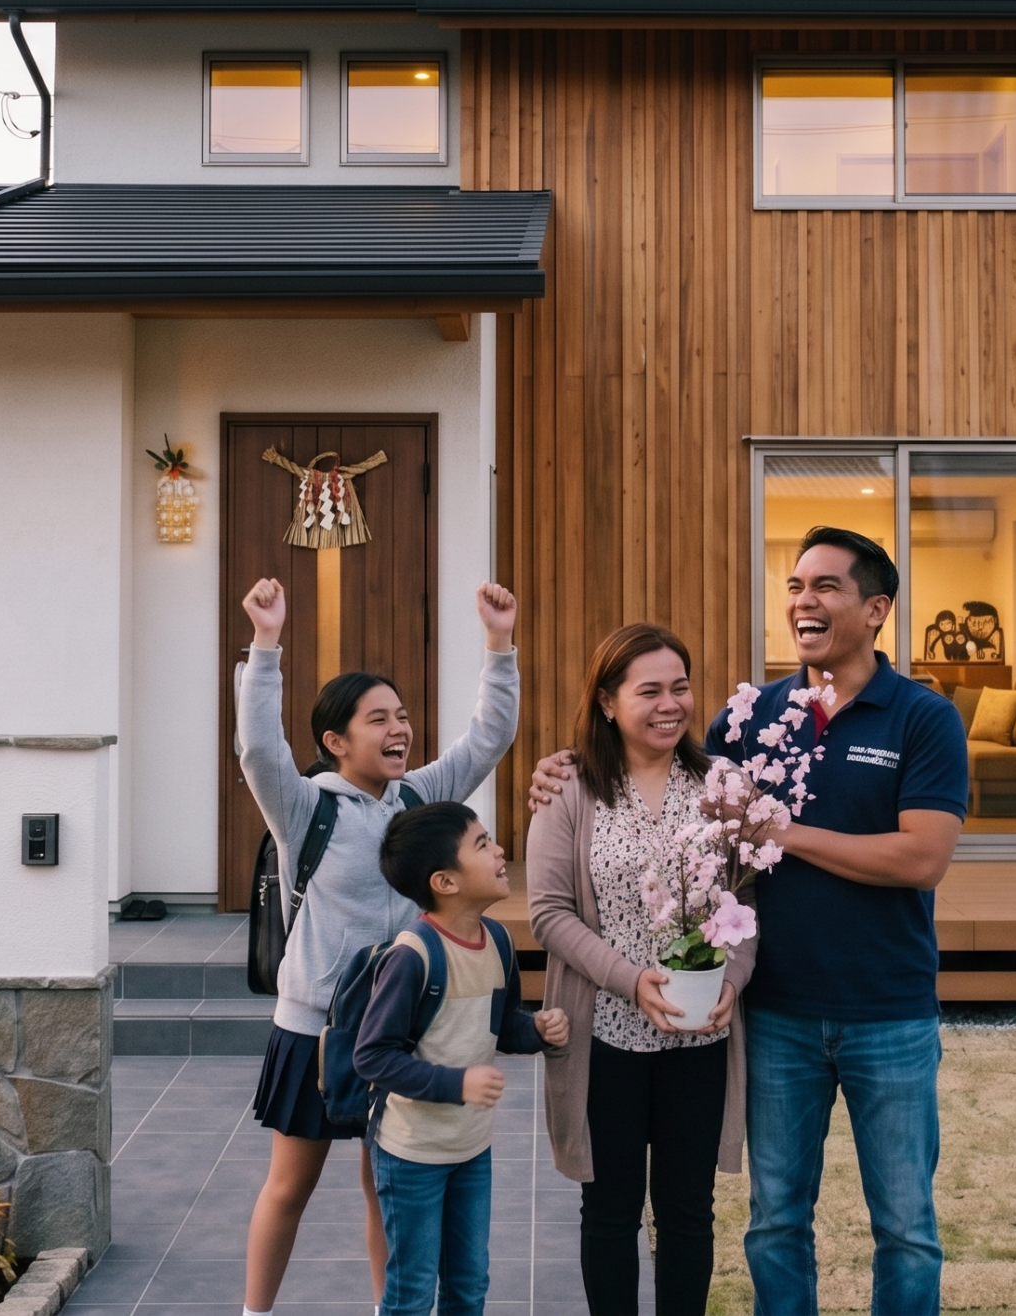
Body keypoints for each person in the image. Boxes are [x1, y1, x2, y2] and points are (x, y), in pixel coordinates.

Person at [527, 527, 964, 1315]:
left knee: (905, 1227)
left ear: (876, 609)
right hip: (776, 1017)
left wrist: (783, 832)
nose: (803, 599)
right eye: (796, 585)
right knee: (773, 1224)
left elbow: (922, 860)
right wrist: (560, 768)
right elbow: (659, 767)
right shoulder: (749, 720)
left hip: (887, 1010)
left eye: (826, 586)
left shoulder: (922, 718)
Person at [236, 577, 523, 1316]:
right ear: (337, 741)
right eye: (377, 720)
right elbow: (258, 751)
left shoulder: (421, 798)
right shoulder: (305, 808)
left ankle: (385, 1309)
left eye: (401, 716)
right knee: (291, 1184)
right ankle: (253, 1312)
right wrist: (266, 645)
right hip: (316, 1029)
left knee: (383, 1184)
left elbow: (488, 736)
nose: (399, 729)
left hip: (396, 1032)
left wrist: (499, 645)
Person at [526, 623, 754, 1316]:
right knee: (610, 1209)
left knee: (689, 1211)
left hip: (700, 1035)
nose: (669, 704)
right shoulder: (571, 786)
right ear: (606, 702)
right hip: (608, 1037)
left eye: (680, 687)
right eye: (648, 690)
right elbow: (548, 912)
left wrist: (732, 981)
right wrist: (630, 979)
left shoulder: (721, 785)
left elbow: (744, 903)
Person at [356, 802, 569, 1316]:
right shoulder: (413, 955)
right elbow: (373, 1056)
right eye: (482, 844)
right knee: (410, 1292)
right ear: (445, 882)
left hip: (471, 1148)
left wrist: (536, 1030)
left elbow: (503, 1023)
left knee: (469, 1286)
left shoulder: (497, 939)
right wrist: (457, 1084)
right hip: (411, 1154)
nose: (499, 852)